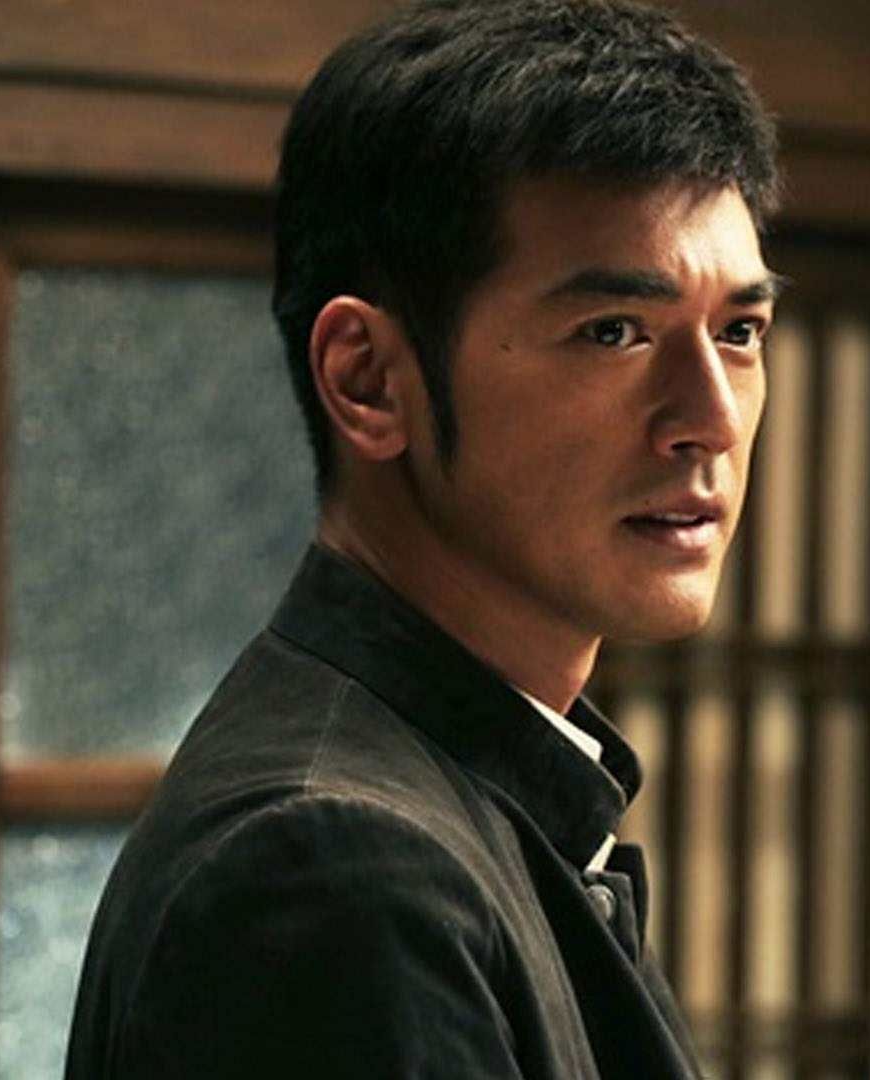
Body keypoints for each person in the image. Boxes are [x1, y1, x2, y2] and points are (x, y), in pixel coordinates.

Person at [64, 0, 779, 1075]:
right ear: (368, 380)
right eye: (615, 332)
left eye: (739, 332)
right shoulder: (332, 865)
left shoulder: (473, 788)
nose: (711, 419)